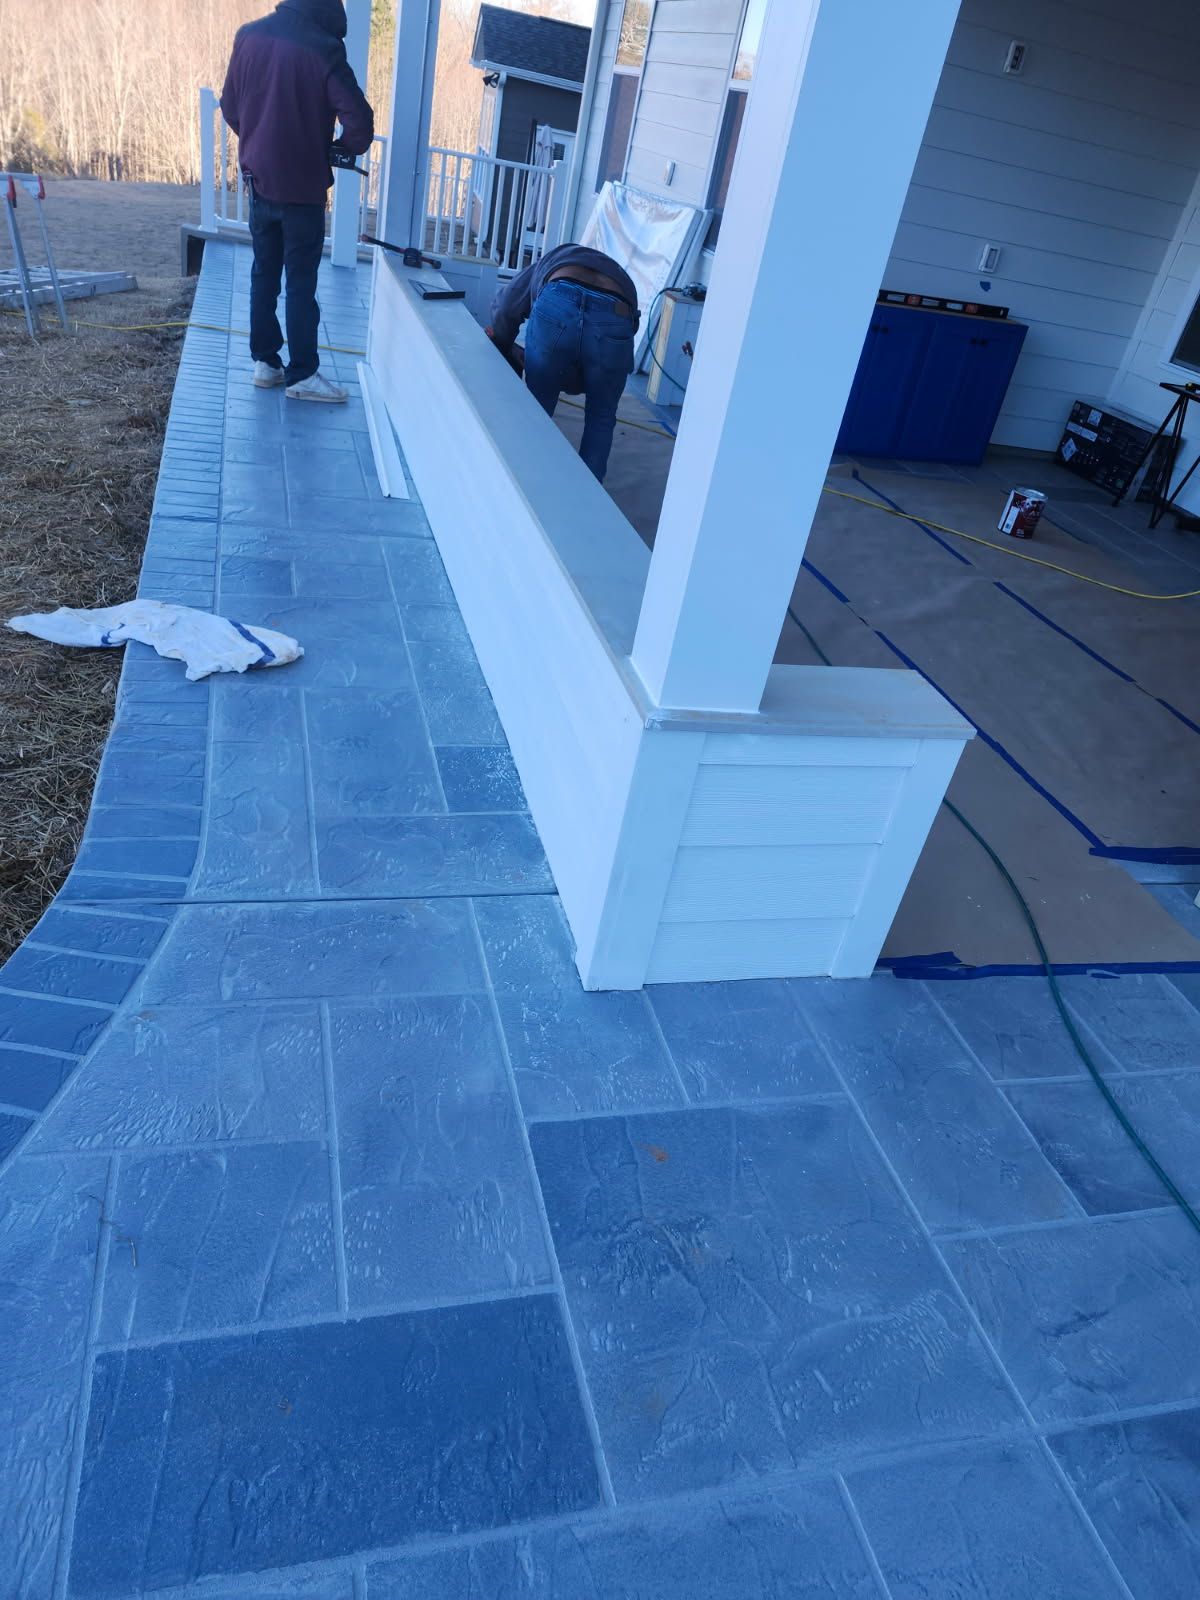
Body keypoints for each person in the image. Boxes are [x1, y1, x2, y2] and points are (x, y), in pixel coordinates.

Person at [221, 0, 373, 403]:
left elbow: (230, 108)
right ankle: (302, 374)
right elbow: (359, 121)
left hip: (259, 182)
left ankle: (265, 364)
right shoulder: (323, 48)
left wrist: (258, 142)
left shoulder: (248, 36)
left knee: (263, 275)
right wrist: (336, 148)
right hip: (302, 191)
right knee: (300, 284)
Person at [487, 244, 641, 482]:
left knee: (537, 408)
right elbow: (608, 348)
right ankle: (589, 501)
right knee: (601, 416)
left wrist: (503, 344)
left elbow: (506, 306)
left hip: (559, 297)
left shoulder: (546, 263)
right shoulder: (617, 273)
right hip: (616, 310)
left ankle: (525, 483)